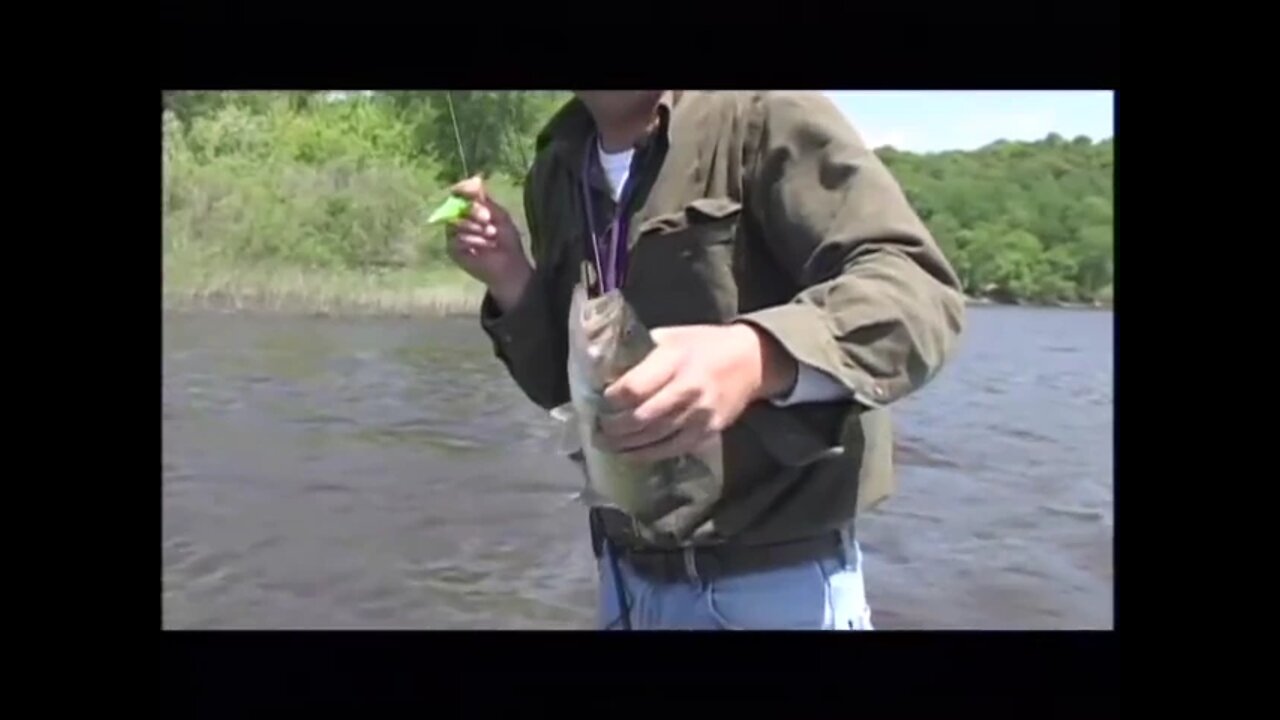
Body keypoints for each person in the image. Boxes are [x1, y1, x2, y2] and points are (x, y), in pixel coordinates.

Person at [444, 91, 965, 630]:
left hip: (776, 589)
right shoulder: (558, 164)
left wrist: (755, 356)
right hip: (622, 586)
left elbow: (919, 291)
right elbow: (567, 391)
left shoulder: (764, 113)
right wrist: (510, 278)